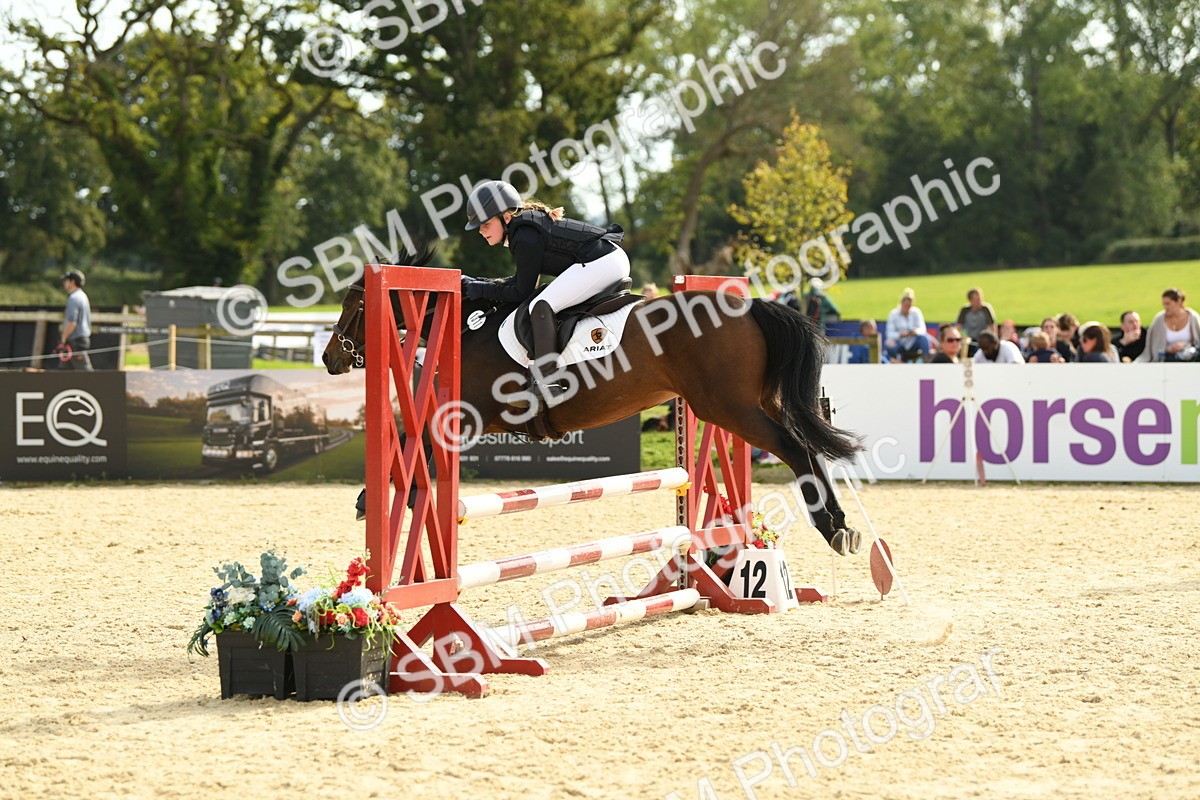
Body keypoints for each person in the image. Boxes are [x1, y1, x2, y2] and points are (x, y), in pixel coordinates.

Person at [462, 180, 628, 403]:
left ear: (506, 218)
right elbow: (520, 282)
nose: (481, 231)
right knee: (541, 301)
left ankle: (548, 380)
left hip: (603, 262)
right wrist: (479, 283)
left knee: (541, 305)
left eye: (486, 224)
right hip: (608, 259)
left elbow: (522, 293)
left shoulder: (524, 236)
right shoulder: (523, 231)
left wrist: (481, 289)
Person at [1137, 288, 1200, 362]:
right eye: (1164, 304)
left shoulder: (1193, 318)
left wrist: (1187, 346)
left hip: (1191, 359)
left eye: (1168, 304)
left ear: (1178, 302)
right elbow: (1153, 348)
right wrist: (1169, 350)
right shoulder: (1159, 320)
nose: (1165, 307)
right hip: (1167, 360)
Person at [884, 288, 933, 362]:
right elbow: (889, 334)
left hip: (913, 342)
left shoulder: (916, 312)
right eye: (906, 304)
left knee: (924, 338)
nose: (907, 307)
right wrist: (900, 335)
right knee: (889, 343)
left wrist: (915, 332)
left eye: (909, 305)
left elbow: (922, 329)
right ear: (901, 303)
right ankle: (896, 362)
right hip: (899, 343)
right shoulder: (893, 314)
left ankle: (926, 360)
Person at [58, 270, 93, 371]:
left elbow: (71, 323)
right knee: (64, 373)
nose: (64, 283)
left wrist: (63, 339)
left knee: (85, 374)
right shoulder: (82, 296)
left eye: (66, 280)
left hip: (75, 341)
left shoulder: (73, 298)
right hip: (79, 339)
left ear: (72, 282)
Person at [955, 288, 997, 354]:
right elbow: (959, 327)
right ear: (970, 300)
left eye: (980, 299)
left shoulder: (986, 309)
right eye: (977, 300)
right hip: (969, 339)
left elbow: (992, 326)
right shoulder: (965, 310)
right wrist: (962, 337)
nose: (979, 301)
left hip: (982, 339)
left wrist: (994, 339)